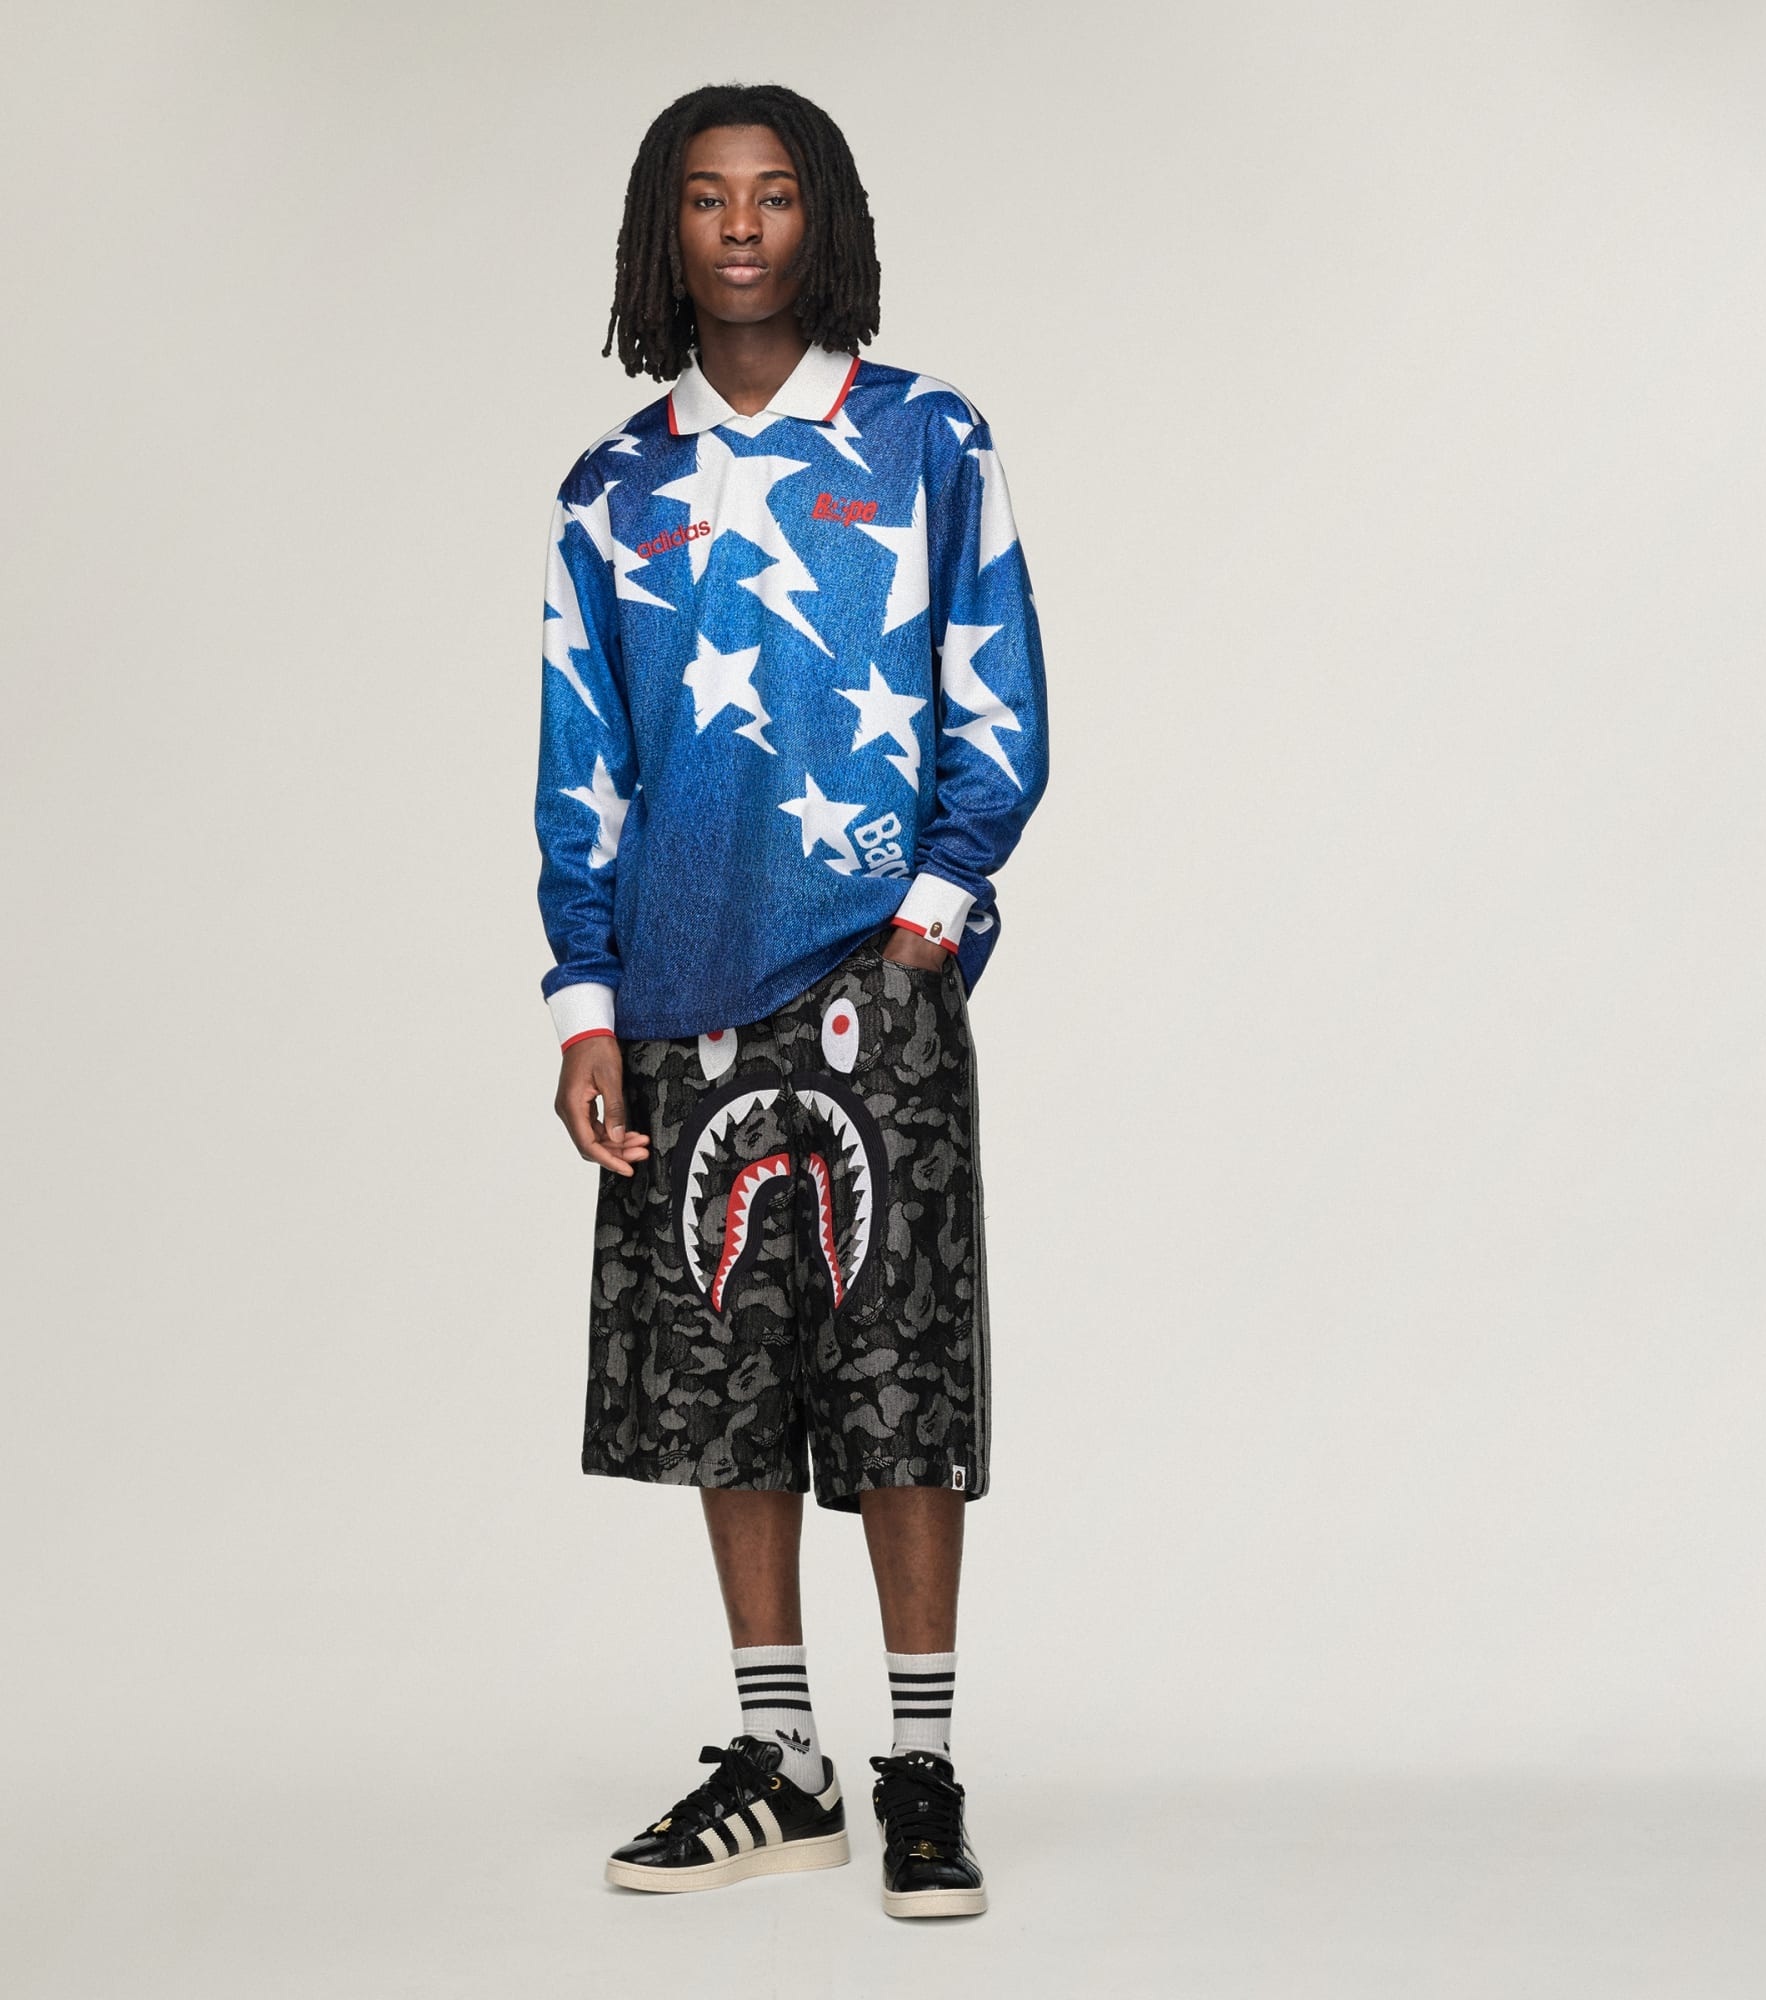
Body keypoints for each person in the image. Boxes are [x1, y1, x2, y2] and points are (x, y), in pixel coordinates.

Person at [533, 81, 1048, 1920]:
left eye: (771, 194)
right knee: (724, 1384)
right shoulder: (612, 489)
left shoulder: (922, 437)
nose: (741, 226)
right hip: (675, 995)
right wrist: (587, 1006)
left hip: (868, 983)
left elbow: (997, 693)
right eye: (704, 198)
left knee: (898, 1374)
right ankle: (785, 1762)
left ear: (822, 218)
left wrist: (926, 925)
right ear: (661, 233)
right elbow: (583, 761)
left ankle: (920, 1763)